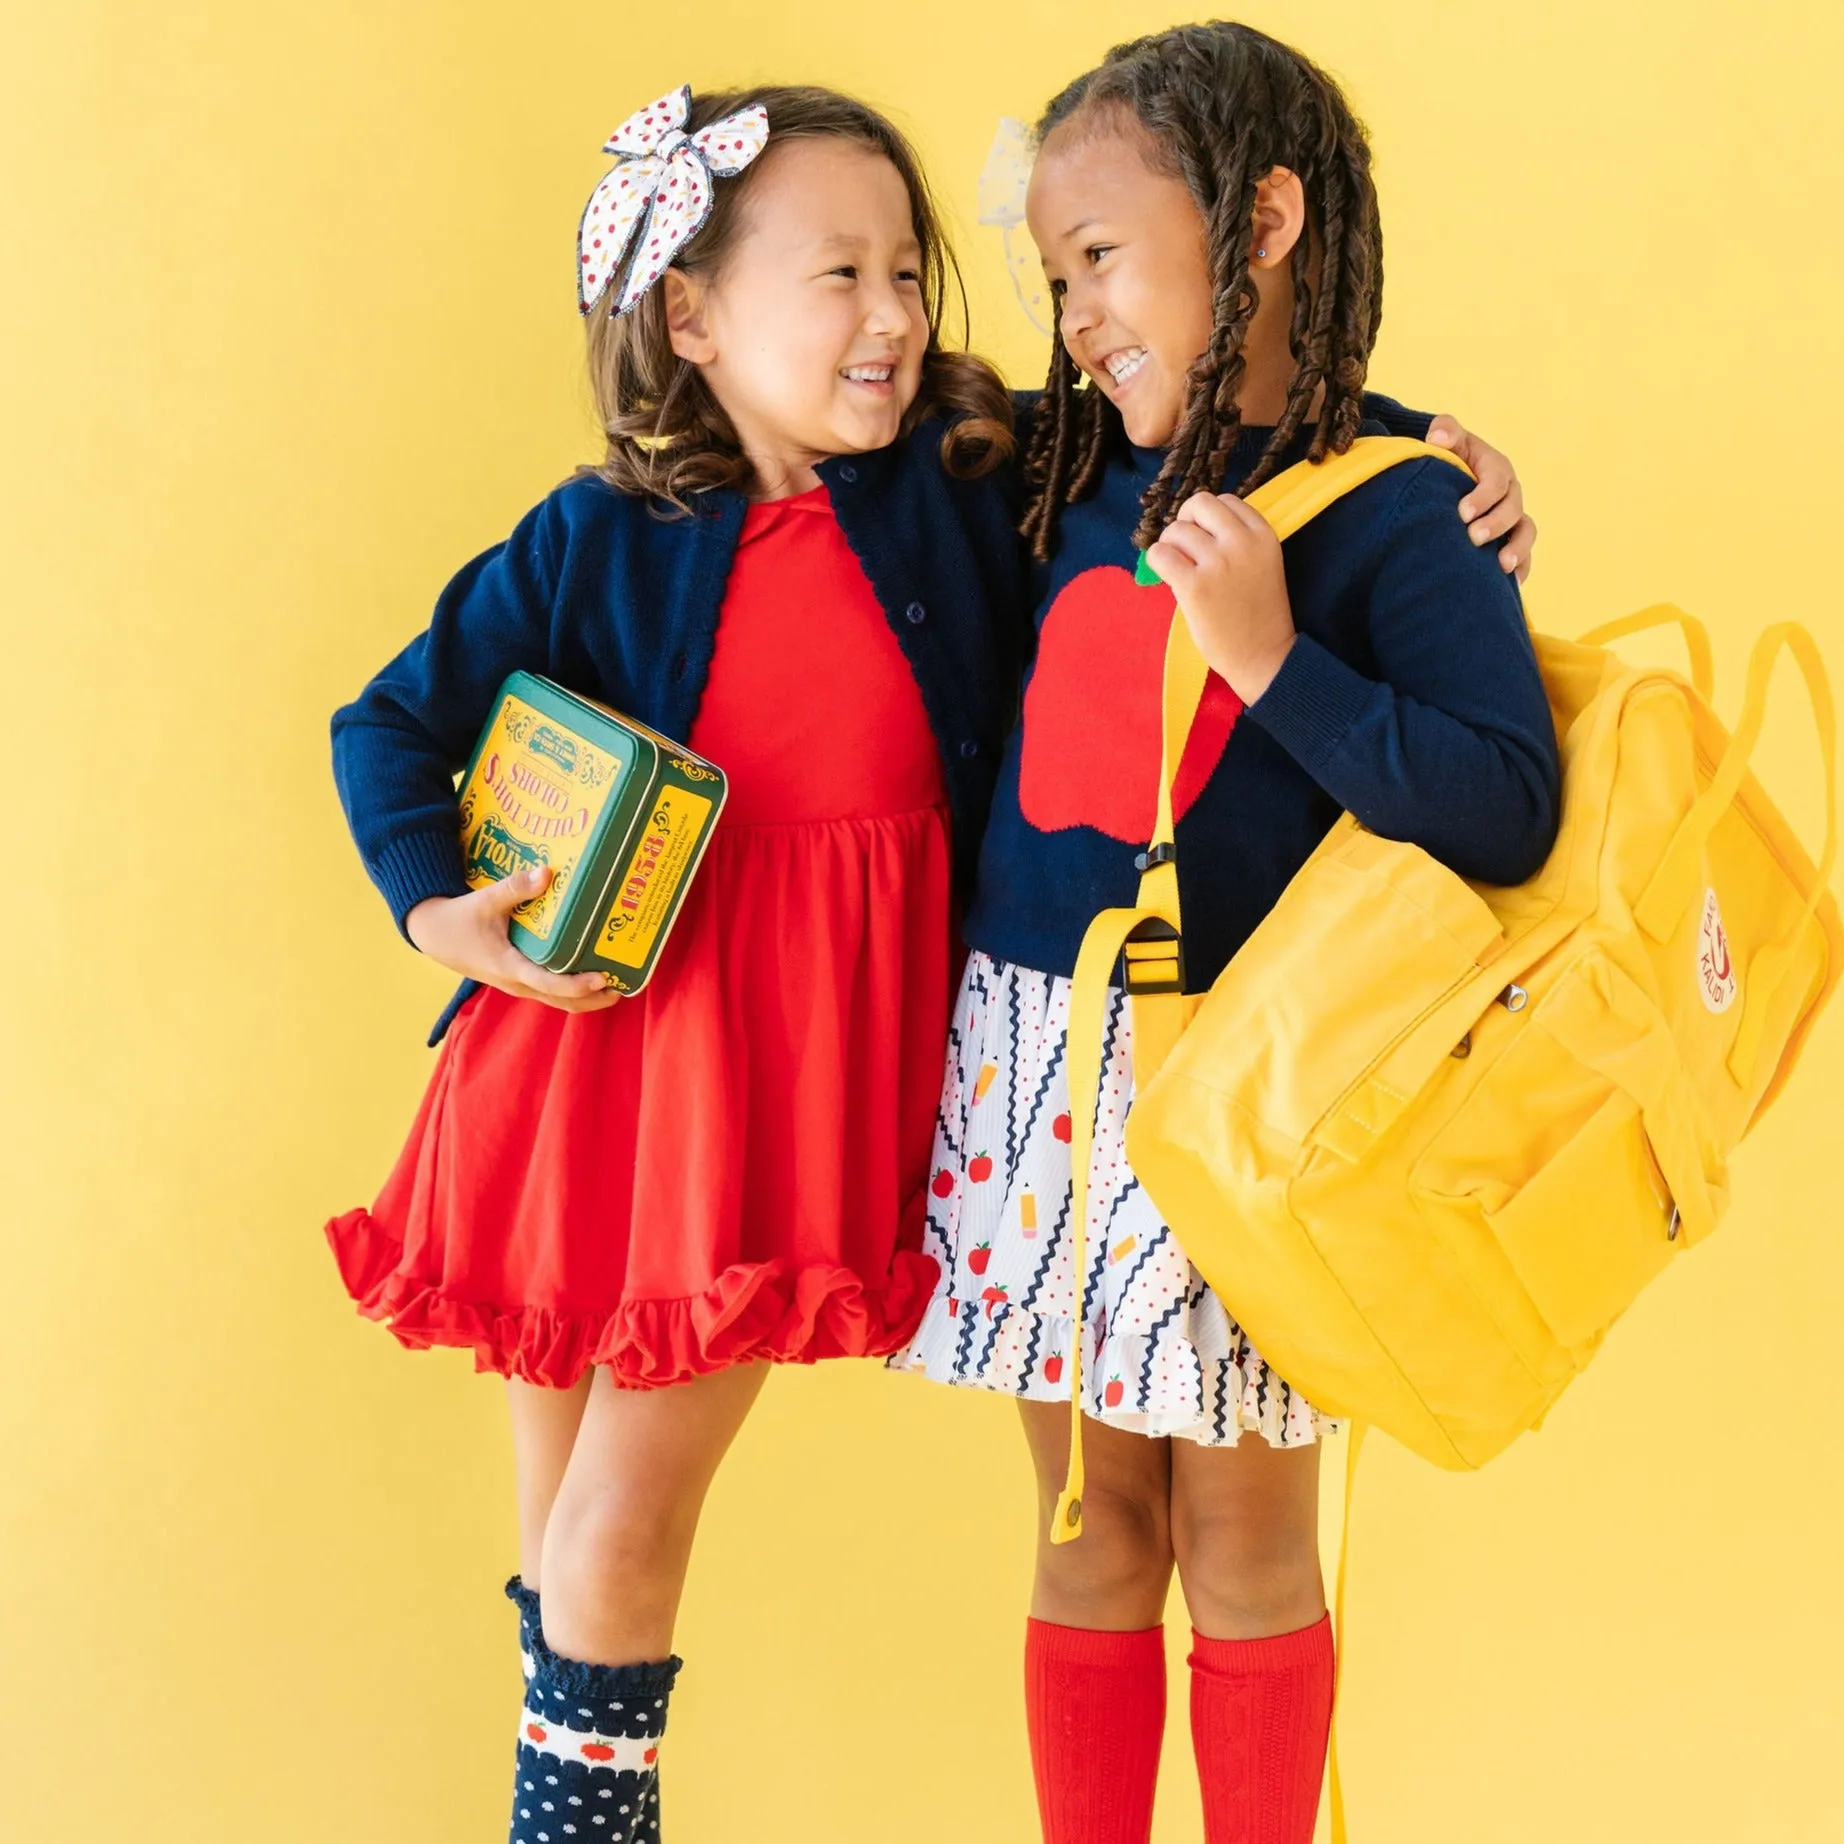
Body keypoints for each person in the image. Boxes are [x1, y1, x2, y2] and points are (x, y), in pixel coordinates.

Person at [891, 24, 1561, 1844]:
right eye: (1052, 275)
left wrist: (1276, 658)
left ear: (1264, 219)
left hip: (1257, 1095)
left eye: (1101, 257)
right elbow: (828, 412)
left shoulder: (1403, 504)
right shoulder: (1030, 470)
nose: (1077, 312)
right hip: (1039, 1076)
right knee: (1088, 1529)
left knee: (1248, 1541)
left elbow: (1506, 807)